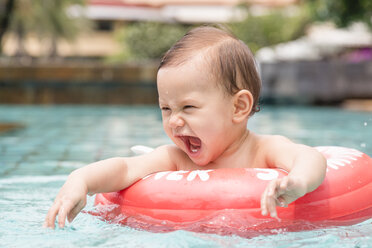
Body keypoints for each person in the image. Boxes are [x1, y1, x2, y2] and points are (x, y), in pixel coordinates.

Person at [44, 26, 327, 229]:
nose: (174, 121)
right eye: (166, 109)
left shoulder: (264, 150)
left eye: (188, 108)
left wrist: (298, 182)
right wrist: (80, 180)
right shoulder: (176, 159)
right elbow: (125, 168)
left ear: (238, 107)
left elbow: (311, 157)